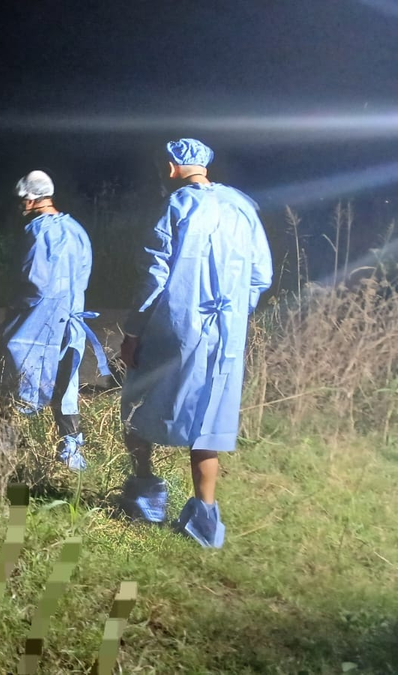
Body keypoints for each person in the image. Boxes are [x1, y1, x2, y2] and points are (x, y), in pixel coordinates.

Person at [119, 138, 273, 549]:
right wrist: (234, 313)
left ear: (171, 166)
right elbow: (261, 275)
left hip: (173, 327)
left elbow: (155, 273)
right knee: (209, 418)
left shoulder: (176, 205)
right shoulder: (241, 207)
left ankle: (145, 494)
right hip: (225, 335)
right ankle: (205, 521)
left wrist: (133, 330)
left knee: (136, 401)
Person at [0, 170, 109, 471]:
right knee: (65, 387)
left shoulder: (36, 231)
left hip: (33, 324)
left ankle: (3, 456)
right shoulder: (76, 230)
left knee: (13, 383)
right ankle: (72, 455)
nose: (19, 206)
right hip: (71, 322)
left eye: (21, 200)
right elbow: (83, 275)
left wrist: (14, 312)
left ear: (31, 199)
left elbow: (32, 281)